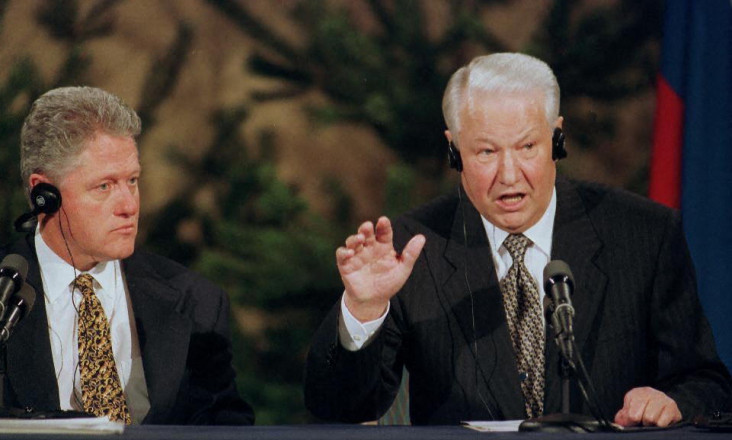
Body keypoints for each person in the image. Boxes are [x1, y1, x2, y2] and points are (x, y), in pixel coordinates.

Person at [304, 53, 731, 426]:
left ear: (556, 138)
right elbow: (338, 408)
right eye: (486, 152)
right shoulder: (411, 250)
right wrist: (363, 309)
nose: (509, 175)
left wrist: (671, 401)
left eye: (527, 147)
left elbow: (707, 384)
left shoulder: (642, 235)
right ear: (454, 150)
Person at [0, 86, 254, 425]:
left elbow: (225, 427)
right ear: (44, 195)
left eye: (133, 181)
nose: (129, 206)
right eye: (105, 186)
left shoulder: (196, 301)